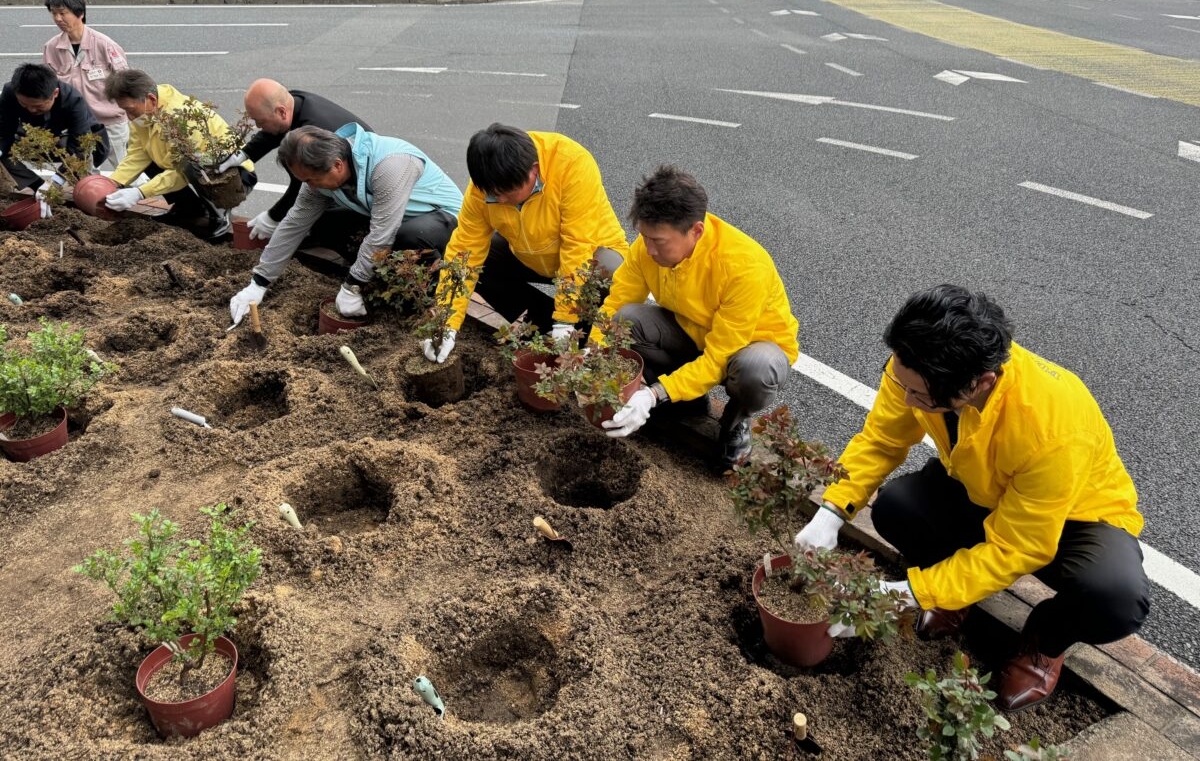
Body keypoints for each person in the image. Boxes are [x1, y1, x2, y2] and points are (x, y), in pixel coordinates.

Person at [793, 285, 1149, 712]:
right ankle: (955, 595)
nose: (908, 401)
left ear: (981, 382)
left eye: (921, 398)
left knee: (1113, 597)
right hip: (984, 487)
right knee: (896, 508)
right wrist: (831, 511)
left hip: (1077, 514)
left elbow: (1016, 547)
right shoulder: (917, 365)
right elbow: (883, 439)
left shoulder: (1052, 422)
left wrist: (903, 595)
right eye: (901, 383)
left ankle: (1046, 640)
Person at [596, 166, 798, 467]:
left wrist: (653, 394)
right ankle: (688, 400)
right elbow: (617, 302)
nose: (648, 249)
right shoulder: (646, 248)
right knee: (626, 320)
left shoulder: (743, 266)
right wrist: (591, 354)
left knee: (756, 369)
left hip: (747, 347)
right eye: (644, 236)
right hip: (692, 333)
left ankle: (735, 421)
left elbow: (720, 356)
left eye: (659, 241)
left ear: (696, 231)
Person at [420, 123, 628, 364]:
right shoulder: (485, 186)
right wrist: (446, 323)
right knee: (474, 259)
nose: (499, 200)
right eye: (492, 195)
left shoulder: (571, 163)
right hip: (528, 255)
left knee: (611, 271)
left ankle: (585, 329)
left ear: (534, 171)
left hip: (592, 253)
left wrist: (566, 318)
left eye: (506, 194)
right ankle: (541, 316)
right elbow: (464, 251)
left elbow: (577, 246)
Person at [228, 124, 463, 326]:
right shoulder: (323, 173)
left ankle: (418, 302)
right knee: (322, 223)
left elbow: (383, 233)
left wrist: (353, 285)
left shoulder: (389, 166)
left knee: (410, 237)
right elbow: (294, 223)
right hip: (392, 217)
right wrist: (258, 283)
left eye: (311, 180)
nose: (308, 186)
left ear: (337, 165)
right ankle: (376, 275)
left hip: (443, 220)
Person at [104, 69, 254, 239]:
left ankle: (219, 211)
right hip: (188, 167)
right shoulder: (146, 113)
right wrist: (114, 182)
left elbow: (182, 172)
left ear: (151, 100)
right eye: (125, 111)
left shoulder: (181, 117)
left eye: (131, 110)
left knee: (193, 165)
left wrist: (140, 192)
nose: (129, 117)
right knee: (153, 160)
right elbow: (137, 153)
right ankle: (187, 209)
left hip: (232, 174)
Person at [229, 79, 371, 242]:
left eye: (260, 121)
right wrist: (244, 155)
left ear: (281, 112)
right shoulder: (294, 103)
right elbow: (275, 130)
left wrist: (273, 217)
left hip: (363, 188)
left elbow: (303, 184)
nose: (258, 126)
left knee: (320, 224)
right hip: (340, 177)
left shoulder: (313, 135)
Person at [0, 63, 110, 215]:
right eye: (24, 105)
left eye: (38, 106)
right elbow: (4, 131)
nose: (31, 110)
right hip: (35, 138)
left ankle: (87, 209)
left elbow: (79, 147)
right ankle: (37, 187)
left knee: (83, 163)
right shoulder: (9, 92)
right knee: (4, 154)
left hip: (76, 142)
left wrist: (55, 183)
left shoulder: (73, 99)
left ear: (55, 93)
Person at [42, 0, 130, 164]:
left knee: (126, 171)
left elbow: (126, 82)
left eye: (63, 12)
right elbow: (49, 87)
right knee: (85, 173)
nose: (58, 18)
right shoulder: (52, 48)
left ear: (80, 13)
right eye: (53, 13)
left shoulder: (104, 44)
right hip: (78, 123)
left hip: (110, 121)